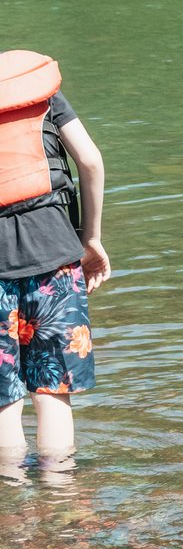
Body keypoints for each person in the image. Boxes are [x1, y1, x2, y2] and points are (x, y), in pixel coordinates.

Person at [0, 50, 110, 465]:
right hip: (54, 257)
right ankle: (60, 497)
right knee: (53, 390)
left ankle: (11, 502)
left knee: (2, 401)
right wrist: (91, 238)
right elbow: (91, 160)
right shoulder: (37, 87)